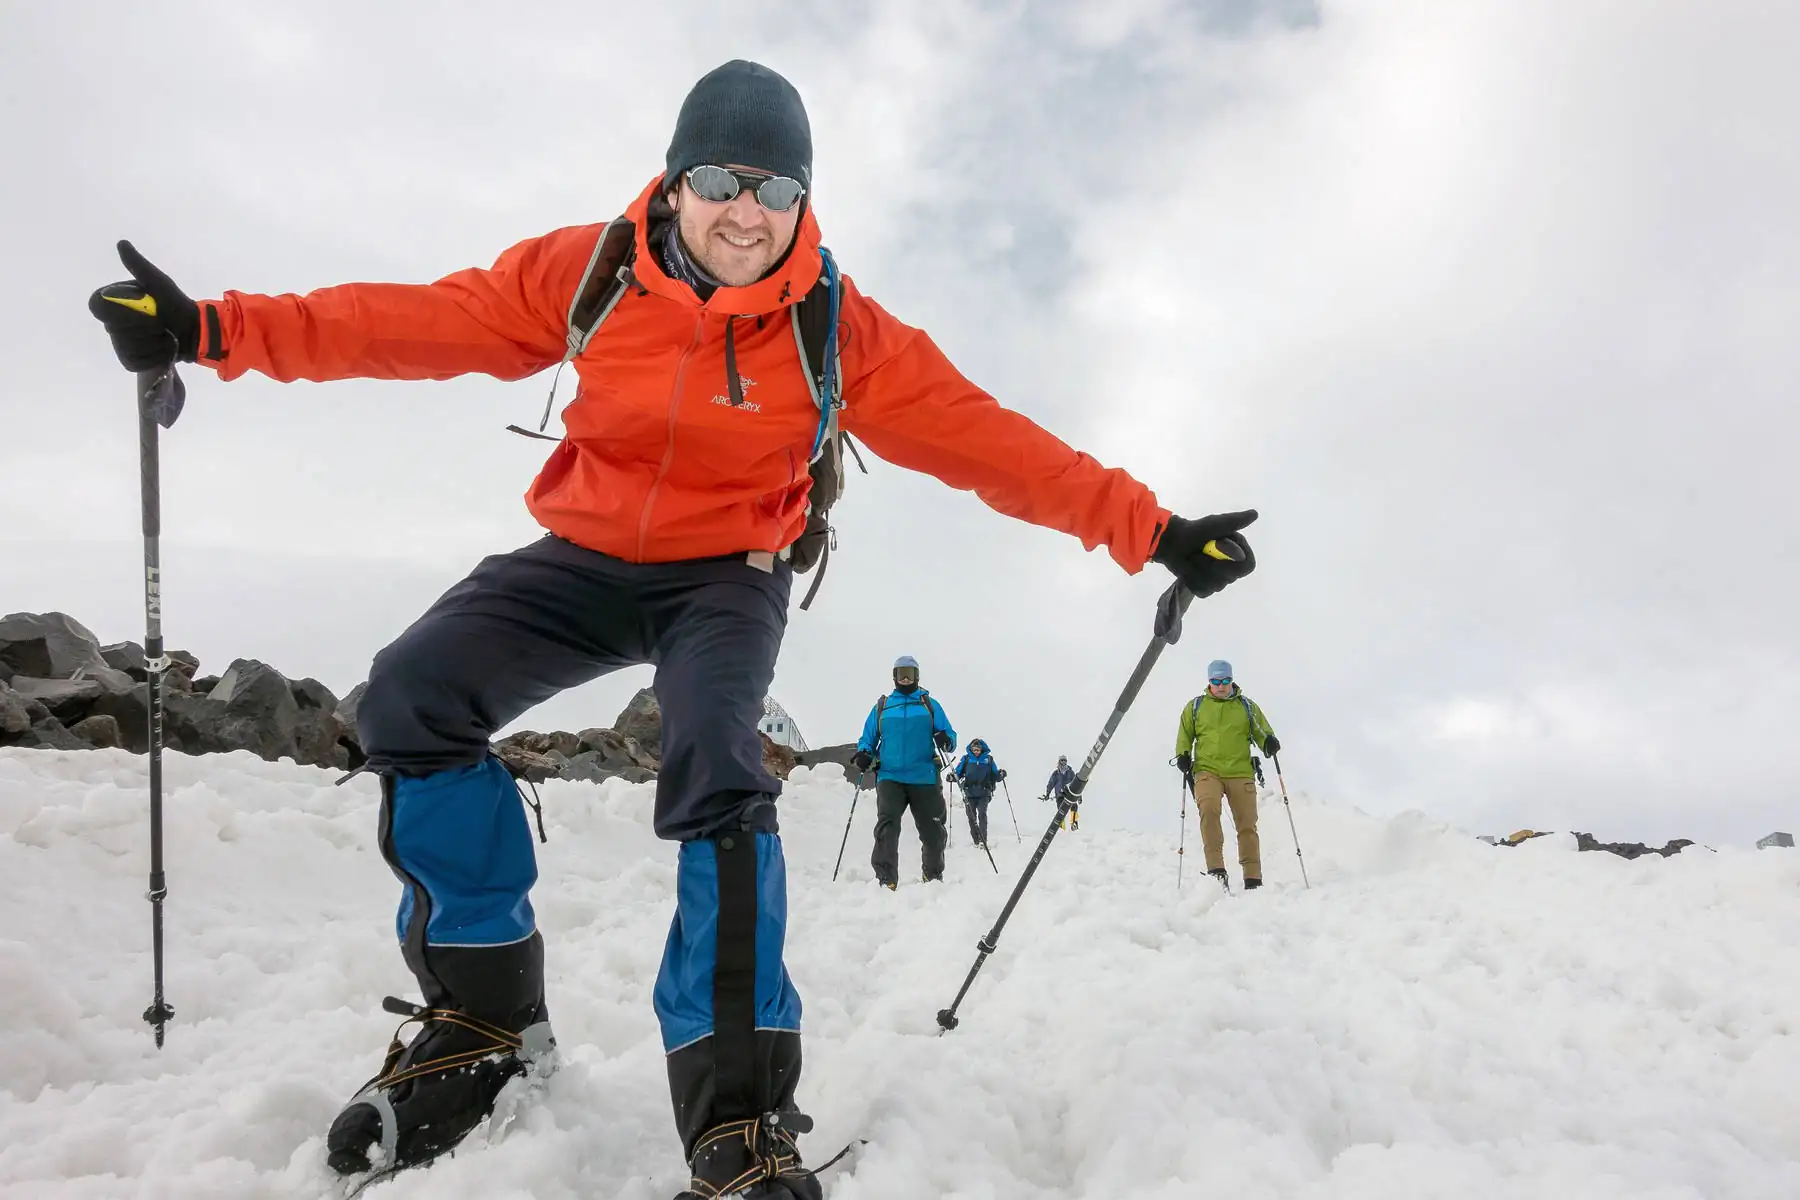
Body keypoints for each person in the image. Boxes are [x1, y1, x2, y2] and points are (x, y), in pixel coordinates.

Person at [86, 59, 1259, 1198]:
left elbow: (995, 444)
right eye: (724, 180)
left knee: (717, 760)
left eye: (780, 190)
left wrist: (1154, 532)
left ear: (806, 200)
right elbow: (420, 323)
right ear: (676, 179)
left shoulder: (839, 330)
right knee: (409, 697)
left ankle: (735, 1111)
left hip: (726, 574)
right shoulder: (589, 270)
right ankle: (482, 1016)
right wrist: (213, 329)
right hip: (585, 556)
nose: (749, 213)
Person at [1174, 659, 1279, 891]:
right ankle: (1216, 870)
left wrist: (1269, 742)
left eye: (1225, 681)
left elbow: (1262, 731)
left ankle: (1253, 878)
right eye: (1216, 681)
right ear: (1209, 682)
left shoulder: (1246, 706)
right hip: (1206, 770)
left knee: (1247, 823)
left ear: (1232, 680)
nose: (1221, 686)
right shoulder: (1196, 707)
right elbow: (1185, 734)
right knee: (1209, 810)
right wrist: (1182, 754)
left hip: (1240, 771)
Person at [851, 656, 956, 886]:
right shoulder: (883, 706)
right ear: (894, 676)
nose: (905, 678)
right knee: (887, 826)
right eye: (901, 673)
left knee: (933, 831)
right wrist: (864, 753)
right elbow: (868, 738)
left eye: (909, 673)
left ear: (917, 676)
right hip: (891, 777)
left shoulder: (929, 704)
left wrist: (945, 739)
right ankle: (886, 879)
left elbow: (950, 737)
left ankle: (933, 875)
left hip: (924, 776)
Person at [950, 737, 1006, 847]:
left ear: (981, 750)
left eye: (978, 750)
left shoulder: (988, 760)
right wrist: (951, 776)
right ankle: (976, 839)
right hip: (969, 793)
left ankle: (982, 840)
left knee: (982, 814)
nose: (976, 752)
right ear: (971, 749)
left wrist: (1001, 774)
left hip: (984, 793)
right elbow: (957, 773)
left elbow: (995, 775)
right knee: (971, 817)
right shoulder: (966, 759)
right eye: (974, 749)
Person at [1044, 754, 1080, 830]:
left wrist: (1079, 796)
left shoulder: (1070, 772)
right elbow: (1050, 784)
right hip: (1060, 795)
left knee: (1074, 806)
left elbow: (1077, 784)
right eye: (1062, 761)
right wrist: (1047, 794)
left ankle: (1074, 824)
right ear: (1059, 762)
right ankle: (1061, 827)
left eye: (1065, 761)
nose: (1063, 763)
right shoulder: (1056, 774)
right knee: (1061, 810)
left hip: (1070, 794)